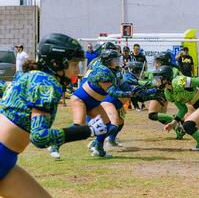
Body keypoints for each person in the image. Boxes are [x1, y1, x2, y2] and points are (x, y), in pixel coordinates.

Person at [0, 33, 108, 197]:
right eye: (74, 64)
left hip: (6, 159)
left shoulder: (32, 76)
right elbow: (39, 137)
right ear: (57, 63)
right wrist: (88, 131)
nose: (78, 70)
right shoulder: (46, 83)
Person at [70, 49, 144, 158]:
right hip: (81, 100)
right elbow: (112, 92)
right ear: (108, 61)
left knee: (107, 126)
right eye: (115, 60)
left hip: (94, 102)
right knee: (79, 126)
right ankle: (56, 142)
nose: (118, 61)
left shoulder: (112, 70)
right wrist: (130, 93)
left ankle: (99, 149)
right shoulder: (103, 72)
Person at [153, 65, 199, 165]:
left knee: (188, 125)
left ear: (166, 78)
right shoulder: (168, 93)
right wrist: (173, 123)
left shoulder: (178, 81)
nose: (156, 81)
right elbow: (182, 109)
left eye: (158, 79)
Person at [147, 52, 186, 140]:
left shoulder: (162, 71)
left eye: (157, 62)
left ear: (162, 62)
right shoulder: (174, 69)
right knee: (161, 116)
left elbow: (155, 84)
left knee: (152, 115)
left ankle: (178, 120)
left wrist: (139, 83)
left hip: (160, 93)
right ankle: (178, 131)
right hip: (168, 93)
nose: (155, 64)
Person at [131, 44, 147, 111]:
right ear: (133, 49)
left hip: (140, 74)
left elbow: (145, 65)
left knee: (141, 89)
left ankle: (143, 104)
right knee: (133, 89)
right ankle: (135, 105)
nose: (136, 50)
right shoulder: (131, 56)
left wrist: (144, 72)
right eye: (135, 49)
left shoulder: (142, 56)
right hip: (133, 74)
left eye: (138, 49)